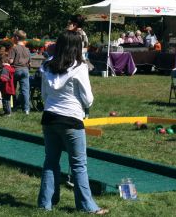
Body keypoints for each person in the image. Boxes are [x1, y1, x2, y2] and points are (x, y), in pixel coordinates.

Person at [38, 31, 108, 215]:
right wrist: (85, 106)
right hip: (71, 119)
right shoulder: (79, 67)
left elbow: (44, 95)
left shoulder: (46, 65)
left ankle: (46, 203)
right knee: (78, 165)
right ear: (76, 47)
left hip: (49, 117)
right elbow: (87, 98)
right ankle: (87, 206)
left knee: (50, 162)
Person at [9, 30, 31, 114]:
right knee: (25, 90)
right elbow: (30, 62)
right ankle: (26, 109)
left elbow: (11, 61)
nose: (13, 38)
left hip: (15, 70)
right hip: (25, 70)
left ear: (17, 38)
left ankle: (14, 106)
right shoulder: (27, 49)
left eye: (13, 37)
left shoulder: (14, 48)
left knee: (12, 89)